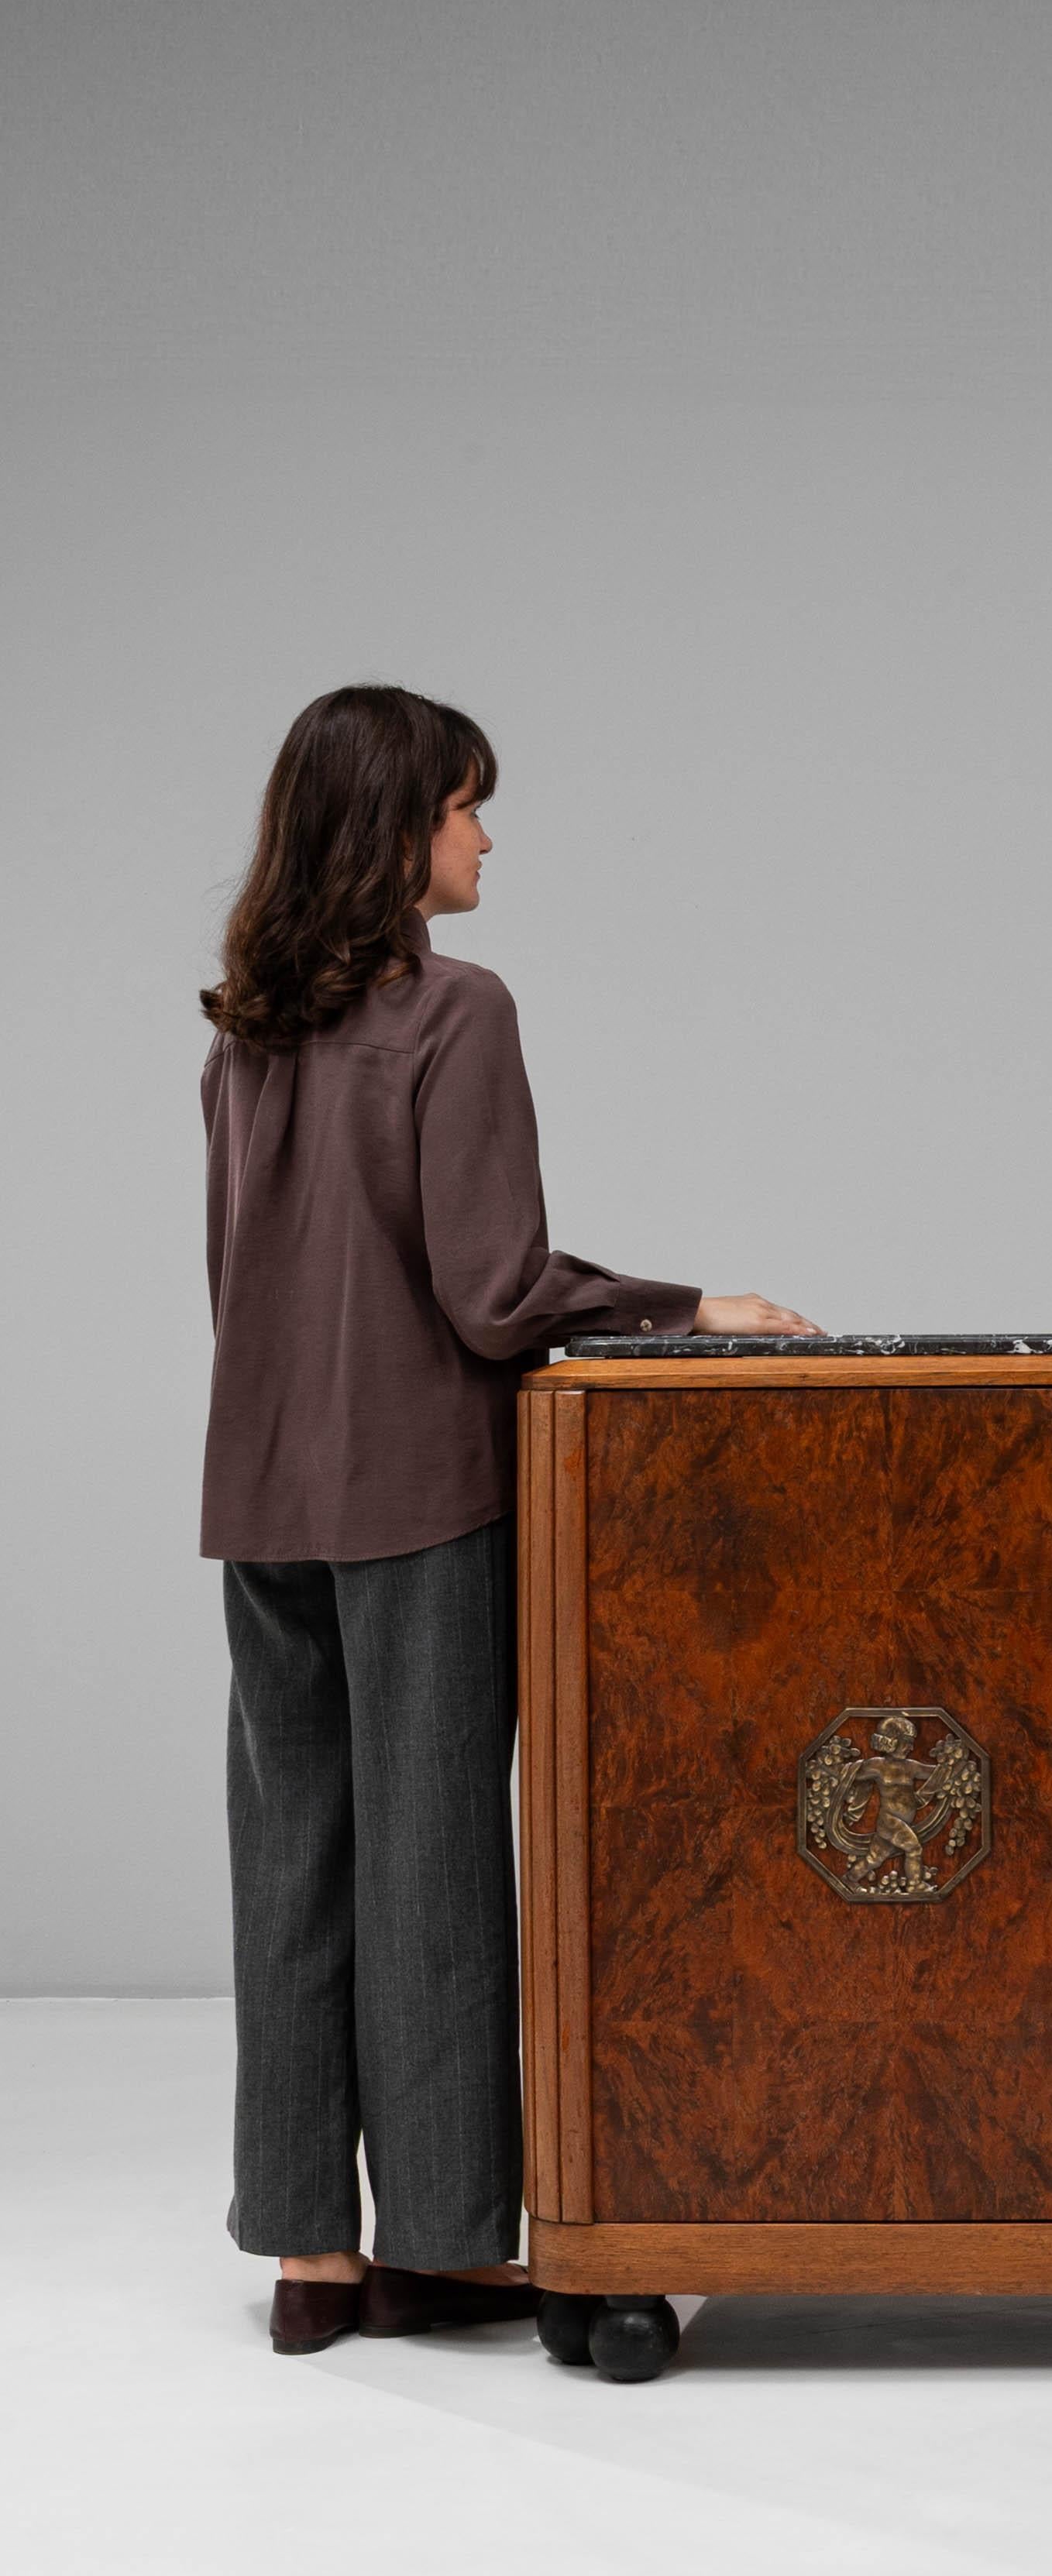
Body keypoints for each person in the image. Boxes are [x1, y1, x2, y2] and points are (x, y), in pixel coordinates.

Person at [201, 685, 817, 2353]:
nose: (487, 838)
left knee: (295, 1859)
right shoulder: (455, 1012)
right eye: (468, 807)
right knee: (436, 1865)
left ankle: (308, 2254)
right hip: (418, 1489)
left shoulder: (244, 1032)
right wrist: (690, 1308)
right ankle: (459, 2238)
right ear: (400, 831)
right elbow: (492, 1294)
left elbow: (234, 1287)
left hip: (262, 1489)